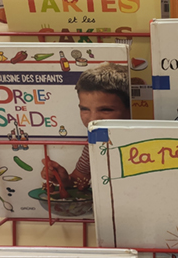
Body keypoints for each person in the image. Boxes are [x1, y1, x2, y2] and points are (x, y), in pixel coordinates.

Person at [41, 62, 130, 194]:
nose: (93, 119)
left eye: (105, 110)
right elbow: (78, 180)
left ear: (131, 109)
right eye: (85, 109)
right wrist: (64, 179)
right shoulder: (94, 141)